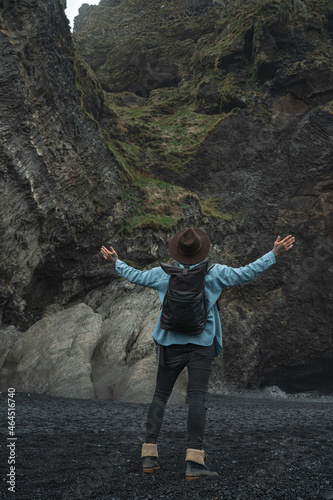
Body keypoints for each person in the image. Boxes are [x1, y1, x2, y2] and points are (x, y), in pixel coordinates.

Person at [101, 228, 295, 480]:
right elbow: (247, 273)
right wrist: (273, 254)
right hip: (200, 344)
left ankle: (149, 455)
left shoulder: (163, 273)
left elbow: (135, 276)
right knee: (196, 398)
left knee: (160, 395)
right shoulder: (215, 273)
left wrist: (116, 261)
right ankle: (194, 461)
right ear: (201, 250)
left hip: (169, 343)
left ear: (177, 251)